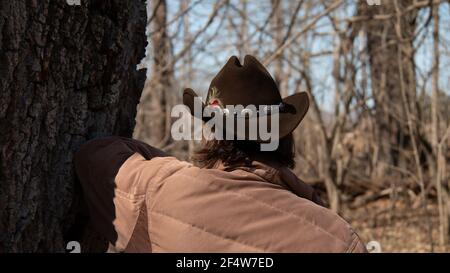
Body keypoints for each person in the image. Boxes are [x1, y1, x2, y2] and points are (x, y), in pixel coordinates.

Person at [74, 55, 367, 253]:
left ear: (212, 134)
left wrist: (174, 169)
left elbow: (96, 154)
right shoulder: (338, 238)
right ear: (284, 137)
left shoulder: (165, 192)